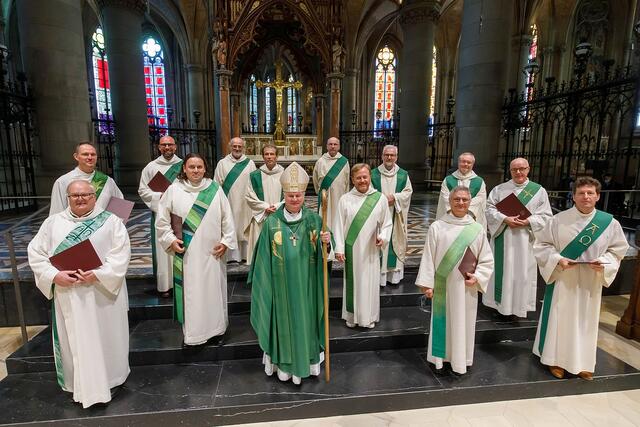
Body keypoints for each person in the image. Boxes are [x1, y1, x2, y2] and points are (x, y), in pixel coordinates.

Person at [28, 180, 130, 408]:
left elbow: (121, 254)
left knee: (107, 337)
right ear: (68, 198)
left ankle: (112, 379)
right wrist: (54, 276)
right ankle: (78, 385)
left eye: (85, 195)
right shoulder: (52, 223)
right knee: (74, 341)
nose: (81, 199)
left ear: (94, 196)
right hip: (69, 294)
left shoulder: (111, 222)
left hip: (102, 295)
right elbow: (36, 254)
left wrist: (99, 274)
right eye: (75, 195)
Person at [533, 177, 628, 380]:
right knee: (561, 319)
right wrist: (557, 259)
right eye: (581, 193)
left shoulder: (609, 223)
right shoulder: (558, 220)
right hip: (564, 278)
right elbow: (542, 245)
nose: (586, 197)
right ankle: (556, 360)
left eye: (590, 193)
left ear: (598, 196)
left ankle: (583, 363)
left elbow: (618, 250)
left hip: (590, 281)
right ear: (573, 196)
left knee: (586, 321)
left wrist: (604, 262)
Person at [249, 162, 331, 385]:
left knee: (306, 321)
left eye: (298, 195)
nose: (295, 199)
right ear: (284, 195)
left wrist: (327, 243)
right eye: (291, 195)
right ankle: (283, 367)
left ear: (304, 195)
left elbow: (325, 257)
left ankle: (309, 363)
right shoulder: (271, 223)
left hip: (307, 287)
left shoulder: (315, 221)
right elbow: (263, 261)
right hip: (280, 288)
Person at [156, 153, 236, 346]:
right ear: (184, 168)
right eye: (191, 167)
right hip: (187, 254)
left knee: (213, 291)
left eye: (199, 167)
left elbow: (228, 218)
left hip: (212, 254)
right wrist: (170, 240)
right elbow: (162, 221)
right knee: (192, 294)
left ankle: (217, 330)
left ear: (205, 168)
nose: (196, 171)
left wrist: (225, 242)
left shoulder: (215, 189)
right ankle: (193, 335)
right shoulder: (174, 190)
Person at [416, 186, 494, 375]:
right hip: (443, 286)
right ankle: (440, 359)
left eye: (465, 200)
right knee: (443, 323)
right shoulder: (437, 226)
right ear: (449, 202)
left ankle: (461, 360)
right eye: (457, 199)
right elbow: (428, 256)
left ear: (470, 202)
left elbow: (487, 259)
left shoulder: (476, 229)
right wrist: (427, 284)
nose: (461, 203)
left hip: (466, 288)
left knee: (463, 323)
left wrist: (478, 276)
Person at [483, 158, 552, 318]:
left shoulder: (539, 191)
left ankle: (518, 307)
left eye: (522, 169)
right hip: (504, 237)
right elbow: (489, 209)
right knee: (503, 271)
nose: (519, 172)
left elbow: (546, 215)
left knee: (521, 273)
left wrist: (528, 221)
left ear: (528, 169)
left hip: (525, 240)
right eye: (515, 169)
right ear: (510, 171)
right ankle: (498, 305)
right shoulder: (500, 189)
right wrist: (504, 219)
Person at [334, 163, 392, 328]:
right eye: (358, 177)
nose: (362, 180)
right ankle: (351, 317)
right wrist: (339, 248)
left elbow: (387, 223)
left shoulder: (379, 198)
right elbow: (338, 225)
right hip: (351, 250)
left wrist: (383, 237)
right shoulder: (345, 199)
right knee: (353, 283)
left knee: (369, 284)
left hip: (370, 251)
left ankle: (369, 317)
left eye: (365, 177)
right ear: (352, 179)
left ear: (369, 177)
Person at [138, 135, 183, 297]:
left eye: (170, 144)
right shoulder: (151, 167)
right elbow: (143, 190)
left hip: (180, 214)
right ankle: (165, 286)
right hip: (160, 215)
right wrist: (162, 198)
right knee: (164, 251)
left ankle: (182, 283)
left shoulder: (183, 165)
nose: (167, 148)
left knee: (181, 247)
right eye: (164, 145)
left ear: (175, 147)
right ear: (158, 147)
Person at [371, 145, 413, 286]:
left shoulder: (403, 175)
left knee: (395, 240)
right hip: (378, 216)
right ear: (382, 156)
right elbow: (368, 192)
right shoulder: (373, 174)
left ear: (396, 157)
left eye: (392, 155)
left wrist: (394, 197)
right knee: (380, 242)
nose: (389, 157)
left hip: (396, 214)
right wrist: (382, 199)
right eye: (386, 155)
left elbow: (408, 192)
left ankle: (394, 276)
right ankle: (379, 277)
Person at [49, 142, 123, 215]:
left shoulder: (108, 181)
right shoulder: (63, 181)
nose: (90, 157)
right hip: (74, 226)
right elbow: (56, 212)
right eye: (85, 154)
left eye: (93, 154)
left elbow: (120, 207)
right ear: (76, 156)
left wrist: (115, 225)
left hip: (103, 226)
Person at [214, 137, 256, 263]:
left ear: (243, 147)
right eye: (234, 146)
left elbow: (254, 183)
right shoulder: (222, 163)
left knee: (244, 225)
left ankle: (244, 254)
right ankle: (231, 256)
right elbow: (217, 183)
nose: (237, 148)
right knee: (230, 225)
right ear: (230, 147)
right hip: (229, 200)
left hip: (246, 202)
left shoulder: (250, 163)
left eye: (240, 146)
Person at [244, 144, 284, 265]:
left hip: (280, 216)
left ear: (277, 156)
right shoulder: (254, 175)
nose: (269, 157)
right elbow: (249, 196)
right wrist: (265, 207)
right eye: (266, 154)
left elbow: (290, 194)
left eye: (272, 154)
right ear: (263, 156)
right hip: (261, 217)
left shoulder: (285, 173)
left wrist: (277, 207)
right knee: (260, 250)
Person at [313, 137, 350, 262]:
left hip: (340, 198)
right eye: (330, 144)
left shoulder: (344, 162)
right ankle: (326, 250)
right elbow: (315, 181)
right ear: (327, 146)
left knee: (338, 222)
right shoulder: (320, 161)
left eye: (335, 144)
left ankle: (339, 248)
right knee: (325, 221)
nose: (333, 146)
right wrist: (322, 194)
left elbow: (347, 181)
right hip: (325, 199)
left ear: (339, 146)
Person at [435, 152, 487, 229]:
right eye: (463, 161)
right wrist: (457, 212)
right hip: (451, 219)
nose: (466, 164)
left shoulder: (479, 182)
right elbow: (445, 198)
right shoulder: (448, 180)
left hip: (471, 218)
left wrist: (464, 212)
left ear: (473, 164)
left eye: (469, 162)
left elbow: (479, 200)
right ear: (458, 162)